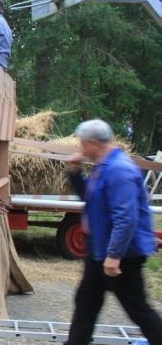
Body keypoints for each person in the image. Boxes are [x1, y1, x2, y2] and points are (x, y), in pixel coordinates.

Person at [64, 119, 161, 345]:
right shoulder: (104, 166)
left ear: (94, 143)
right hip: (100, 249)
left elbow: (125, 218)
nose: (81, 149)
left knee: (137, 309)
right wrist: (75, 173)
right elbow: (89, 197)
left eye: (82, 144)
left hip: (122, 254)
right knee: (86, 302)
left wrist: (114, 256)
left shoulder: (119, 170)